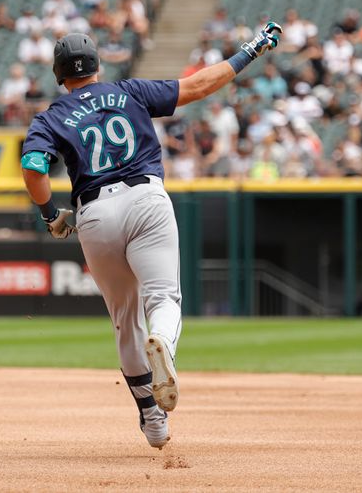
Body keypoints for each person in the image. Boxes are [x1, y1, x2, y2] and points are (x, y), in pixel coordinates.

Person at [20, 24, 281, 448]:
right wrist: (249, 52)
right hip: (146, 198)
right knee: (163, 300)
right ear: (98, 66)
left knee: (125, 321)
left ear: (59, 75)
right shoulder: (129, 92)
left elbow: (33, 166)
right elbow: (197, 87)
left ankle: (152, 420)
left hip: (95, 213)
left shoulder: (51, 117)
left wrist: (50, 214)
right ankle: (164, 344)